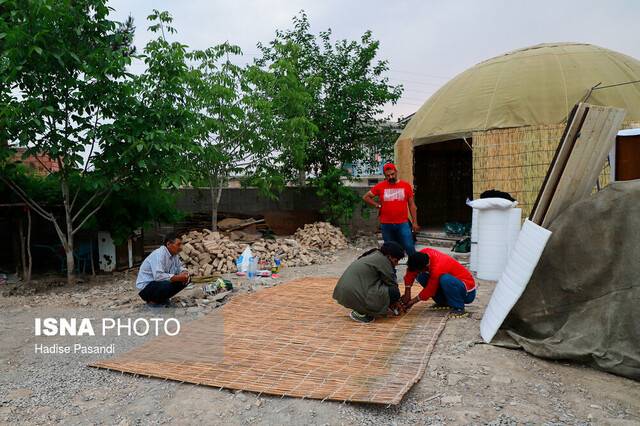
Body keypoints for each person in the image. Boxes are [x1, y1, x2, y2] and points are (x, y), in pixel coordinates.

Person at [333, 242, 405, 323]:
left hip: (343, 293)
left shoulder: (374, 254)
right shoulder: (383, 261)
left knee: (384, 289)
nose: (397, 264)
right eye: (396, 260)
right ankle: (361, 312)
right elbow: (392, 283)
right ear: (389, 256)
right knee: (394, 292)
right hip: (353, 294)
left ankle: (361, 307)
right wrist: (396, 302)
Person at [363, 163, 418, 256]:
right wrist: (377, 205)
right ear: (385, 175)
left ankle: (416, 268)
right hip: (386, 224)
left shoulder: (406, 186)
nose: (391, 177)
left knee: (409, 246)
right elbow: (366, 197)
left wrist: (414, 222)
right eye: (388, 175)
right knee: (389, 251)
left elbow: (412, 205)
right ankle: (390, 270)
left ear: (396, 172)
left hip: (402, 223)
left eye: (392, 174)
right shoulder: (380, 186)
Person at [402, 248, 476, 317]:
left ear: (425, 267)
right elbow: (410, 272)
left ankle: (459, 307)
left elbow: (430, 290)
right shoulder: (423, 254)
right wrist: (407, 292)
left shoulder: (438, 267)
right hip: (451, 286)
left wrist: (412, 302)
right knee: (421, 276)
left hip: (467, 293)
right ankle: (443, 302)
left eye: (420, 270)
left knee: (445, 279)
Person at [136, 232, 190, 306]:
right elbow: (158, 276)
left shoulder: (174, 255)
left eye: (181, 244)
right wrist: (179, 277)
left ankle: (162, 299)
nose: (181, 247)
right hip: (146, 288)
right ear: (168, 244)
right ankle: (153, 301)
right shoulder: (159, 254)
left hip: (157, 284)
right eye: (178, 244)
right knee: (167, 282)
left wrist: (184, 273)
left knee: (187, 279)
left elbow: (180, 267)